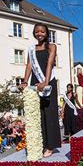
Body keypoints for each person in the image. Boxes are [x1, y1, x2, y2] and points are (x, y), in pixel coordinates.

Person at [19, 22, 61, 158]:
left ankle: (50, 146)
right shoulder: (31, 49)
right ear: (34, 33)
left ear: (47, 33)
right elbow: (29, 65)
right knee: (38, 114)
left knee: (49, 113)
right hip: (35, 83)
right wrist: (25, 81)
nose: (39, 34)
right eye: (37, 31)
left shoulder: (52, 46)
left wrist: (46, 82)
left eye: (42, 31)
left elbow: (49, 63)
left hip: (48, 82)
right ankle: (40, 144)